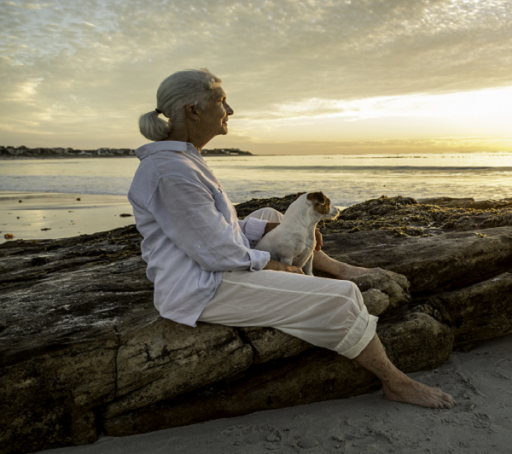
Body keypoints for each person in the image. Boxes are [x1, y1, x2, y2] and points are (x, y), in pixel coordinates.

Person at [129, 68, 454, 409]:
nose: (231, 111)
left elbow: (214, 230)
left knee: (271, 216)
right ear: (193, 111)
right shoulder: (171, 172)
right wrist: (276, 267)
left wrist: (272, 233)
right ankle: (395, 382)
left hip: (211, 262)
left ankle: (335, 266)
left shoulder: (184, 159)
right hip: (200, 286)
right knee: (343, 297)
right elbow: (212, 251)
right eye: (222, 102)